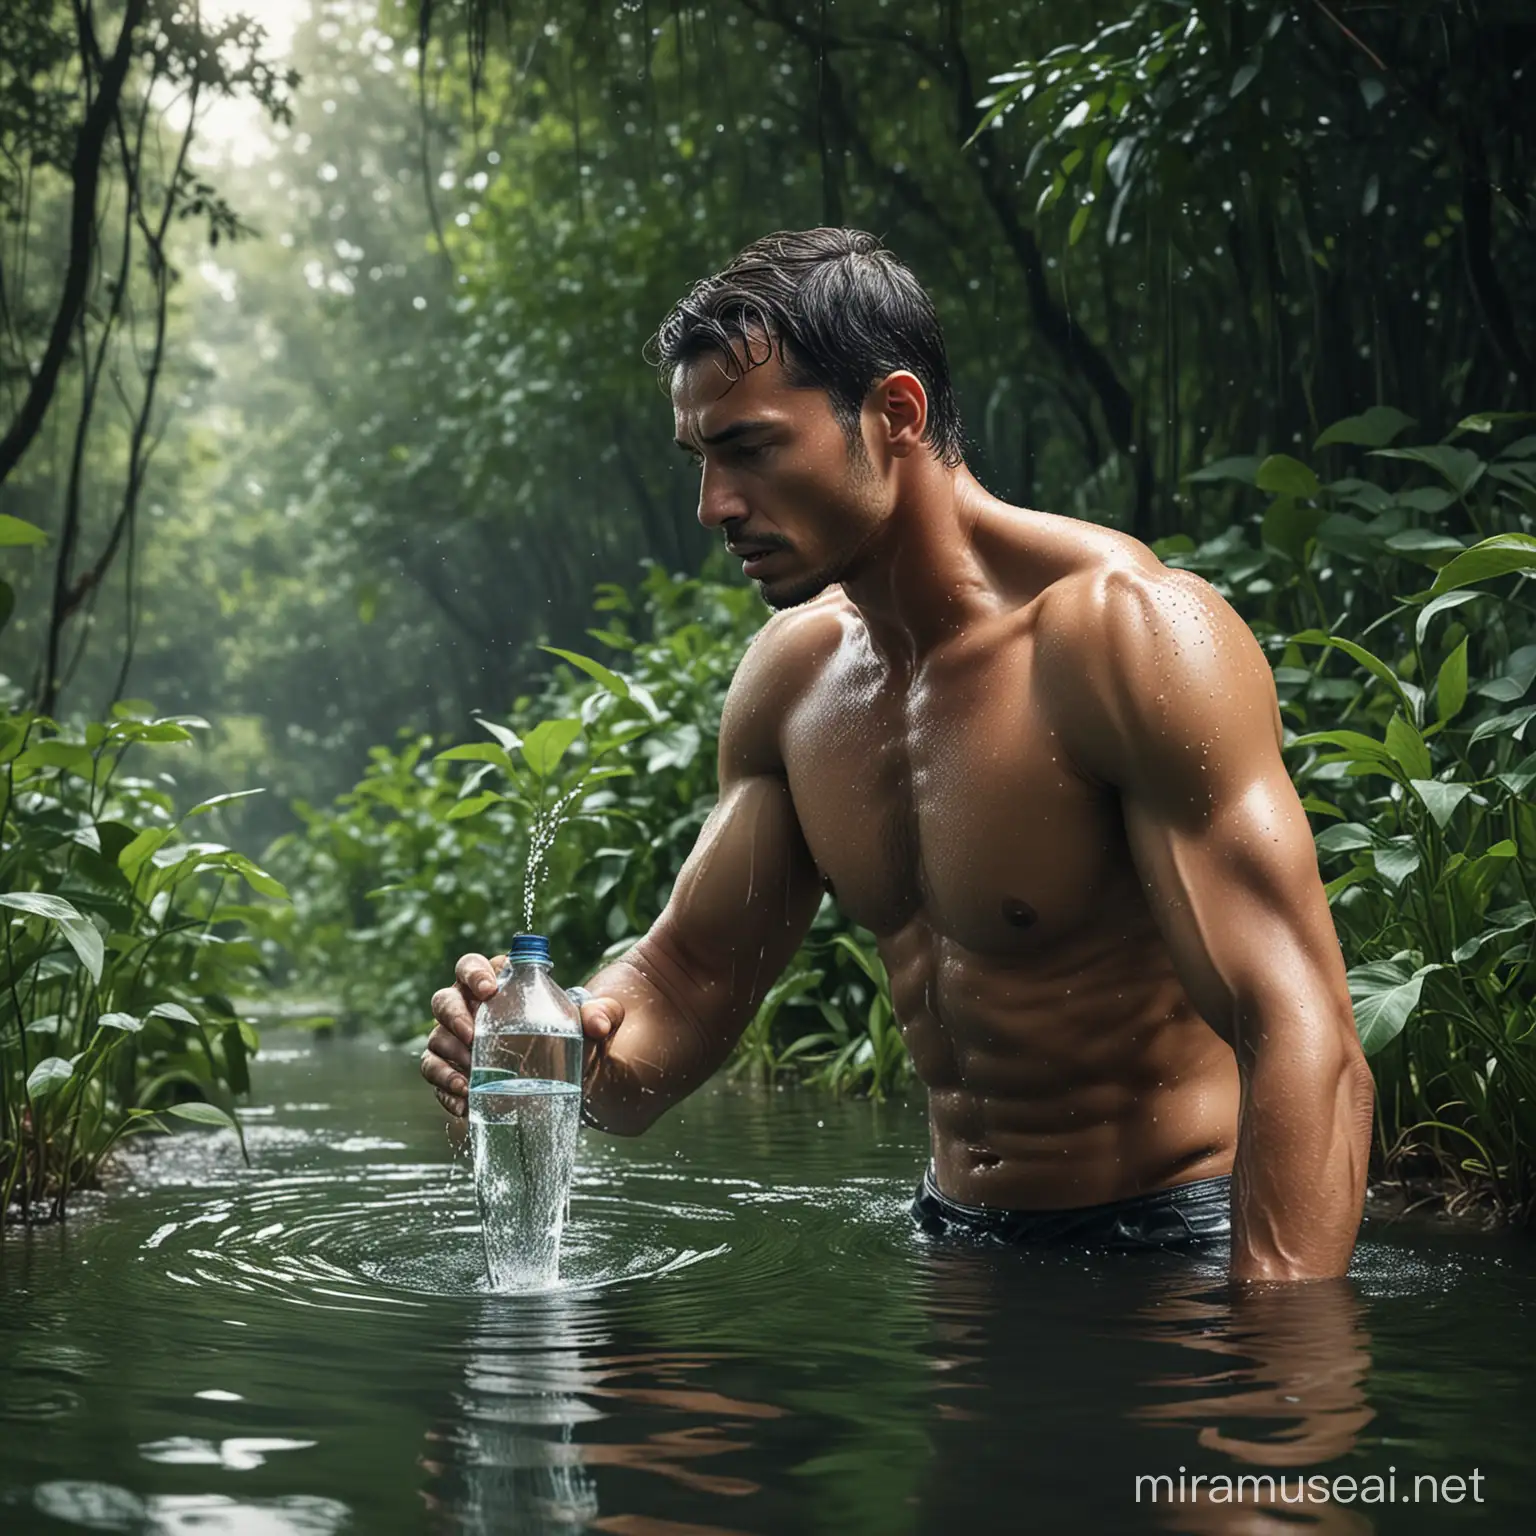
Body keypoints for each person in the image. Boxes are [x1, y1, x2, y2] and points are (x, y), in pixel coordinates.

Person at [421, 227, 1373, 1283]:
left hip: (1174, 1256)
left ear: (896, 413)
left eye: (751, 449)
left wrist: (1281, 1373)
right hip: (955, 1252)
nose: (714, 507)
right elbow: (684, 987)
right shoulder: (798, 680)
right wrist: (547, 1048)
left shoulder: (1123, 637)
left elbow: (1304, 1034)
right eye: (700, 460)